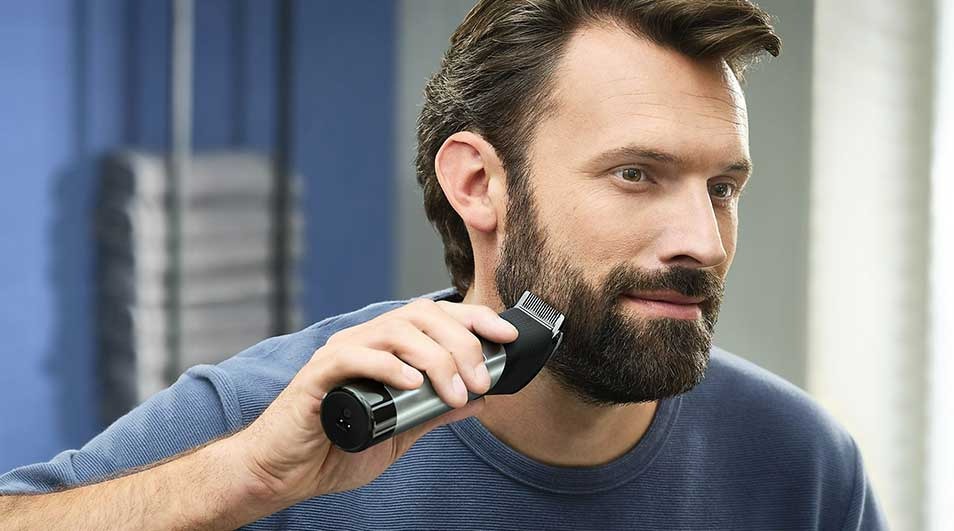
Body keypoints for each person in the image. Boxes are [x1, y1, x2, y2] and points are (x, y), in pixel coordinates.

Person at [0, 1, 886, 529]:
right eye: (635, 174)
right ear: (478, 184)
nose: (702, 237)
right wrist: (249, 478)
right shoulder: (269, 420)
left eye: (723, 186)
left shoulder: (801, 466)